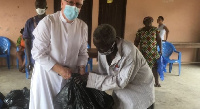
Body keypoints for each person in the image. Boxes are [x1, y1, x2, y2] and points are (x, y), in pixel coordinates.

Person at [29, 0, 88, 108]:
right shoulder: (48, 22)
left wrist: (81, 69)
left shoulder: (82, 26)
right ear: (62, 3)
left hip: (69, 76)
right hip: (46, 77)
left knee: (67, 104)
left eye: (78, 4)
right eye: (70, 2)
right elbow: (38, 53)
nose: (74, 7)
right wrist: (60, 69)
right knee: (46, 105)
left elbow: (83, 52)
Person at [86, 24, 155, 109]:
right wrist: (88, 78)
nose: (99, 50)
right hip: (121, 94)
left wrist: (91, 79)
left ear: (113, 42)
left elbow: (120, 82)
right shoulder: (103, 50)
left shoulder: (129, 52)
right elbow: (103, 74)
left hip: (139, 96)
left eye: (102, 48)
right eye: (97, 47)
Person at [134, 16, 162, 87]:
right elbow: (136, 41)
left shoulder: (155, 30)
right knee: (143, 68)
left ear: (152, 22)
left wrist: (161, 49)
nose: (149, 22)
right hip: (143, 53)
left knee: (155, 67)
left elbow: (159, 40)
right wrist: (134, 50)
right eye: (147, 21)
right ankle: (143, 82)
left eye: (150, 21)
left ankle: (156, 82)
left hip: (153, 53)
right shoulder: (140, 31)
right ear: (144, 22)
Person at [23, 0, 48, 71]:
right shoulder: (30, 22)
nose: (39, 8)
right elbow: (27, 42)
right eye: (37, 6)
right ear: (35, 7)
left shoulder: (50, 21)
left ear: (46, 7)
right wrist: (28, 61)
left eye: (42, 6)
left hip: (49, 56)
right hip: (35, 57)